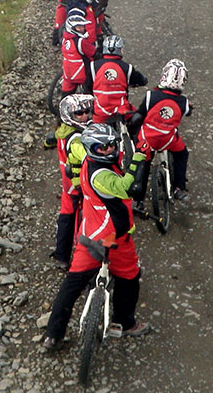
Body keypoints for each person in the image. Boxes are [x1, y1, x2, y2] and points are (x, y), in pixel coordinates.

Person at [42, 123, 152, 351]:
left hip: (88, 235)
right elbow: (126, 187)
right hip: (113, 238)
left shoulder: (87, 163)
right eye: (104, 147)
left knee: (72, 285)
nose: (110, 150)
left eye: (112, 145)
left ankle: (53, 334)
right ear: (93, 148)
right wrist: (137, 162)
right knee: (130, 275)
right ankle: (125, 322)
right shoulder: (102, 175)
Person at [131, 59, 193, 201]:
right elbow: (187, 112)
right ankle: (179, 188)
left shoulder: (150, 96)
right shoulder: (184, 103)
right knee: (182, 155)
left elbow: (139, 116)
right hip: (168, 140)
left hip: (148, 139)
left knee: (143, 163)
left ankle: (137, 199)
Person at [44, 94, 94, 269]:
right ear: (69, 115)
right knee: (84, 218)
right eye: (79, 113)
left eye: (87, 111)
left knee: (66, 216)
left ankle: (61, 255)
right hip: (78, 184)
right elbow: (88, 158)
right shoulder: (75, 139)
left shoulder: (62, 131)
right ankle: (84, 258)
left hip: (68, 184)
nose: (85, 116)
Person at [90, 35, 147, 125]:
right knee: (138, 121)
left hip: (99, 112)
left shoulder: (93, 66)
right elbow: (141, 80)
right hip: (121, 110)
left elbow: (87, 86)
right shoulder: (127, 68)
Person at [60, 13, 96, 93]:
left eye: (82, 26)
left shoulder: (64, 40)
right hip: (83, 76)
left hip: (68, 75)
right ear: (72, 28)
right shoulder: (81, 42)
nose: (82, 29)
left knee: (65, 97)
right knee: (90, 95)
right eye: (79, 27)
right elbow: (93, 53)